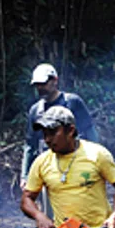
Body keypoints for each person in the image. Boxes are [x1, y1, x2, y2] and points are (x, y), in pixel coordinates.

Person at [22, 63, 99, 206]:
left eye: (43, 83)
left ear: (55, 80)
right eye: (37, 85)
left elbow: (90, 132)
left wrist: (96, 160)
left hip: (76, 162)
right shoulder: (35, 111)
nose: (40, 88)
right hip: (49, 168)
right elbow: (30, 145)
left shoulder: (72, 102)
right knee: (52, 209)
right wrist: (25, 175)